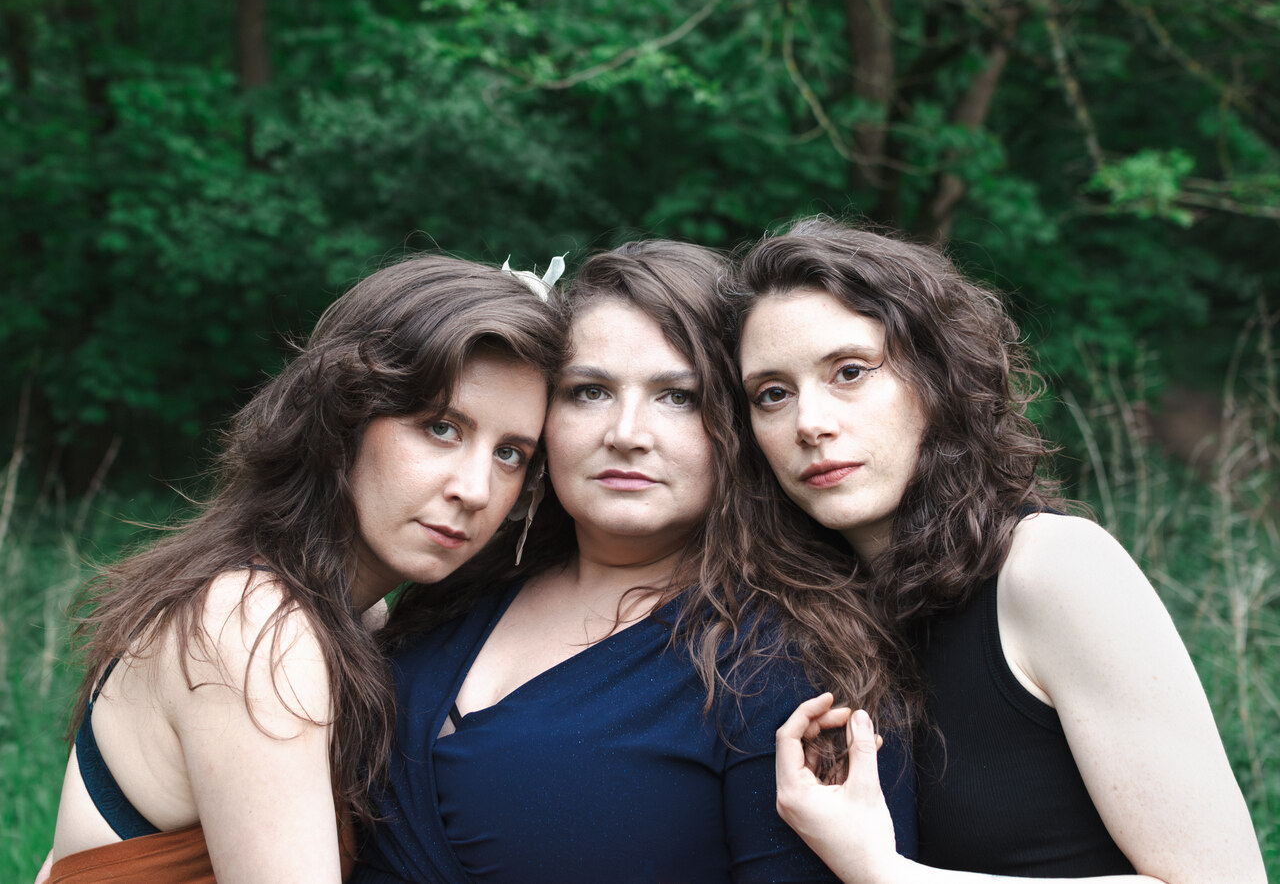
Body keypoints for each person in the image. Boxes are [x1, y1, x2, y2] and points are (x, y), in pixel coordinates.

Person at [350, 240, 917, 884]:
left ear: (735, 423)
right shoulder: (453, 584)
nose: (626, 432)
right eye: (589, 392)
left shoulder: (791, 661)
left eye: (677, 397)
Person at [726, 216, 1266, 883]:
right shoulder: (808, 620)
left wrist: (884, 874)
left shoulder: (1053, 568)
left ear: (937, 378)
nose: (810, 423)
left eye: (850, 371)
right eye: (772, 394)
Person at [44, 255, 564, 883]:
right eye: (441, 428)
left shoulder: (354, 614)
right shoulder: (252, 623)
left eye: (511, 453)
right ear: (345, 415)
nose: (476, 489)